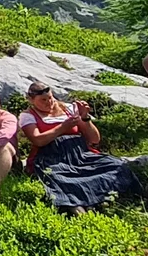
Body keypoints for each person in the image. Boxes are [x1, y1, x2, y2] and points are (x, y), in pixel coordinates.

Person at [19, 83, 138, 214]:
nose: (49, 102)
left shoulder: (68, 109)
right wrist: (62, 127)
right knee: (60, 179)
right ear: (31, 100)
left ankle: (111, 199)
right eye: (43, 100)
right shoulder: (28, 116)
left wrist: (85, 118)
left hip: (81, 155)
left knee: (116, 165)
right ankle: (77, 208)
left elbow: (94, 139)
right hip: (52, 158)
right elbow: (38, 140)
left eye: (50, 98)